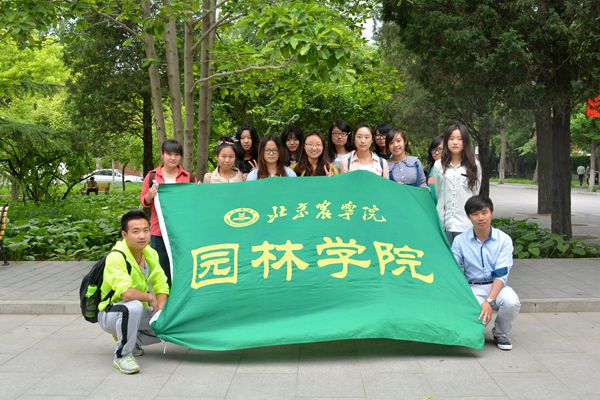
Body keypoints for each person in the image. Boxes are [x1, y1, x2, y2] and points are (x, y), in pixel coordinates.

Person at [97, 210, 170, 374]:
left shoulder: (150, 253)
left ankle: (130, 339)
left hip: (136, 311)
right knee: (133, 306)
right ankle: (122, 355)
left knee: (172, 320)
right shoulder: (116, 257)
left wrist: (161, 311)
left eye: (146, 230)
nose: (142, 236)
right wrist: (150, 298)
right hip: (111, 312)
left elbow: (161, 284)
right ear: (125, 234)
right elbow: (126, 293)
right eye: (135, 231)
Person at [451, 195, 521, 351]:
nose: (480, 218)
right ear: (469, 217)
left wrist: (489, 301)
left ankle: (500, 333)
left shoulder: (504, 240)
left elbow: (501, 274)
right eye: (475, 214)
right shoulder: (460, 241)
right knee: (473, 320)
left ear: (491, 213)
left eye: (484, 212)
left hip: (496, 286)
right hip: (472, 288)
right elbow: (454, 270)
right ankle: (472, 327)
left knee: (511, 301)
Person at [140, 139, 197, 286]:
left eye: (176, 154)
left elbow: (195, 202)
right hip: (159, 232)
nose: (173, 158)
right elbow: (144, 202)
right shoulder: (152, 176)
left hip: (183, 233)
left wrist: (199, 190)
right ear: (162, 154)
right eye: (169, 154)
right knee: (163, 272)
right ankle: (165, 299)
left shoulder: (188, 177)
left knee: (183, 270)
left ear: (181, 156)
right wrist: (150, 195)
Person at [433, 124, 481, 245]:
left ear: (465, 142)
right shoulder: (438, 165)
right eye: (451, 139)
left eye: (459, 139)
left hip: (465, 223)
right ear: (446, 141)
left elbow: (475, 194)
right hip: (444, 222)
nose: (455, 142)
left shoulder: (474, 165)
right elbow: (439, 191)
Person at [424, 136, 444, 203]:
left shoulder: (452, 169)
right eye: (434, 150)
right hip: (430, 207)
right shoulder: (427, 170)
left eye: (440, 149)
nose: (437, 153)